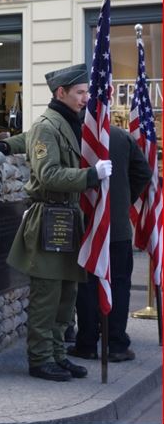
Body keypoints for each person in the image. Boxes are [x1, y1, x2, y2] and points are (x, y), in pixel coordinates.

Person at [7, 64, 113, 382]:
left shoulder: (71, 122)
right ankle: (40, 359)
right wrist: (91, 176)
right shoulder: (48, 126)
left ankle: (57, 354)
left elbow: (23, 142)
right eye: (80, 93)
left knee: (67, 295)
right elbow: (48, 174)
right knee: (47, 295)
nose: (86, 98)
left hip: (68, 216)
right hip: (49, 216)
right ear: (61, 93)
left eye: (86, 92)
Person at [68, 124, 151, 362]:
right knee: (119, 284)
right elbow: (143, 173)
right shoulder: (120, 135)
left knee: (86, 284)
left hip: (87, 223)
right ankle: (115, 343)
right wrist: (124, 200)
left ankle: (87, 342)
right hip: (115, 224)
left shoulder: (75, 133)